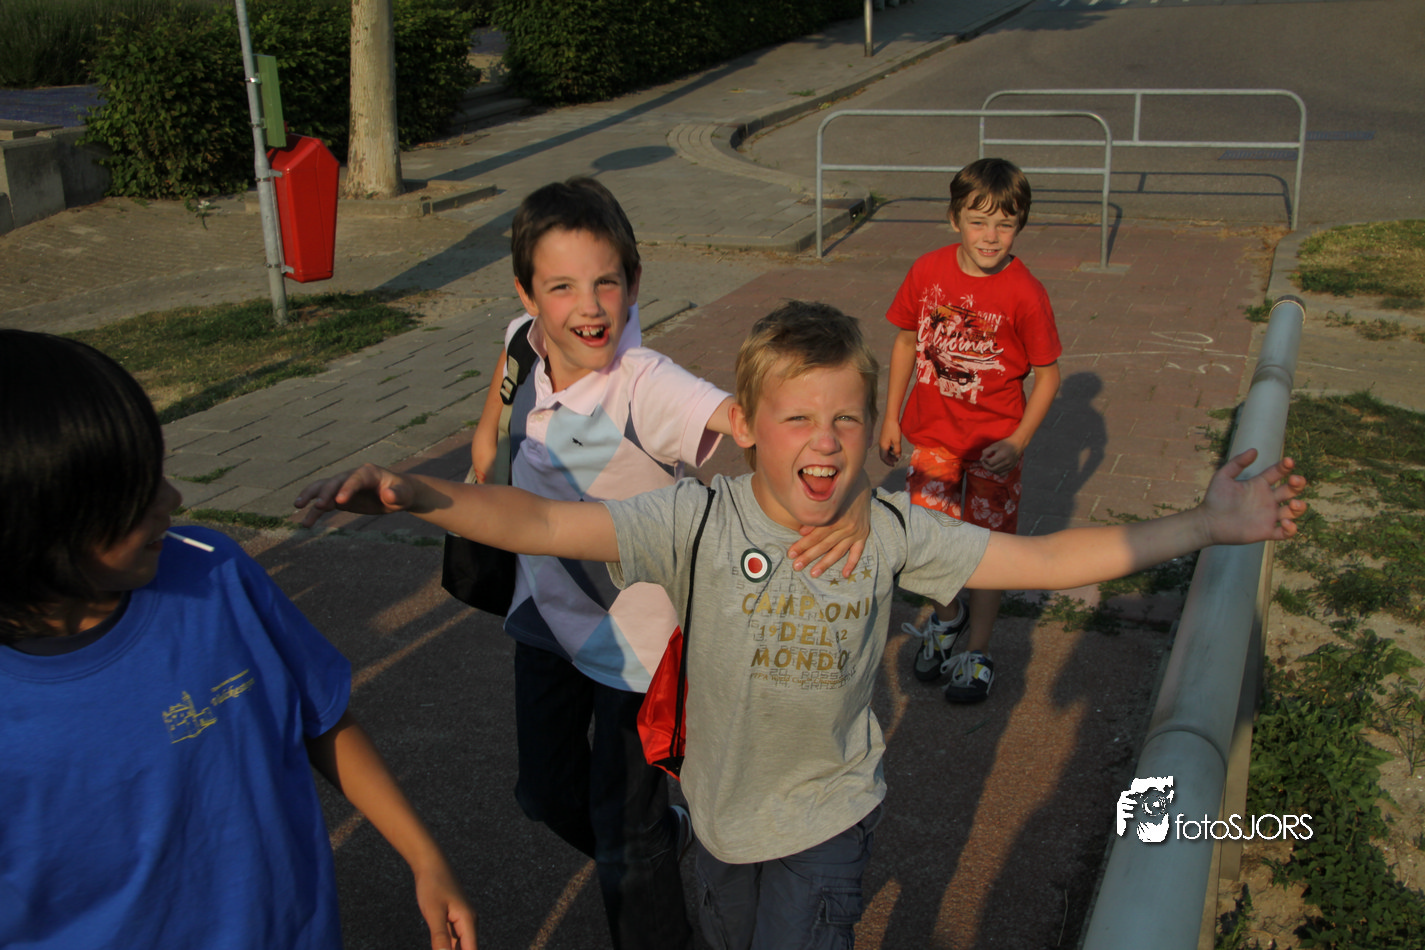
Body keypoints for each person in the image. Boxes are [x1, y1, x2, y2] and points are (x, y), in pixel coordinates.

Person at [295, 301, 1307, 950]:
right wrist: (418, 493)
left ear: (870, 429)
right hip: (714, 820)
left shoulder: (889, 532)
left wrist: (1207, 524)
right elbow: (546, 523)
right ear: (742, 424)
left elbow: (1041, 559)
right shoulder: (695, 519)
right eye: (795, 418)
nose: (823, 443)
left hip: (826, 819)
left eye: (845, 419)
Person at [462, 178, 867, 950]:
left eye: (606, 283)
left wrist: (838, 476)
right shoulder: (520, 341)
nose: (589, 308)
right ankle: (662, 837)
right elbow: (495, 422)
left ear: (634, 281)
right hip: (546, 619)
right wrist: (487, 471)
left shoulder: (645, 384)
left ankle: (649, 856)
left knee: (625, 840)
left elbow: (743, 421)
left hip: (642, 651)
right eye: (561, 287)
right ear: (526, 293)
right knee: (543, 795)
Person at [0, 330, 476, 950]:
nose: (171, 500)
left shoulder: (212, 568)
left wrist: (425, 858)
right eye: (132, 495)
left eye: (158, 472)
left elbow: (321, 716)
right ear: (33, 523)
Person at [879, 157, 1064, 702]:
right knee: (926, 542)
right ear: (954, 217)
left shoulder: (1026, 293)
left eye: (1005, 224)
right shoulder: (927, 271)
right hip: (933, 439)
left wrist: (1018, 441)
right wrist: (891, 415)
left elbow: (1049, 376)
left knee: (987, 552)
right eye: (978, 221)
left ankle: (977, 649)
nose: (990, 236)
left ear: (1020, 225)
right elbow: (905, 341)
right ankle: (947, 618)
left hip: (993, 450)